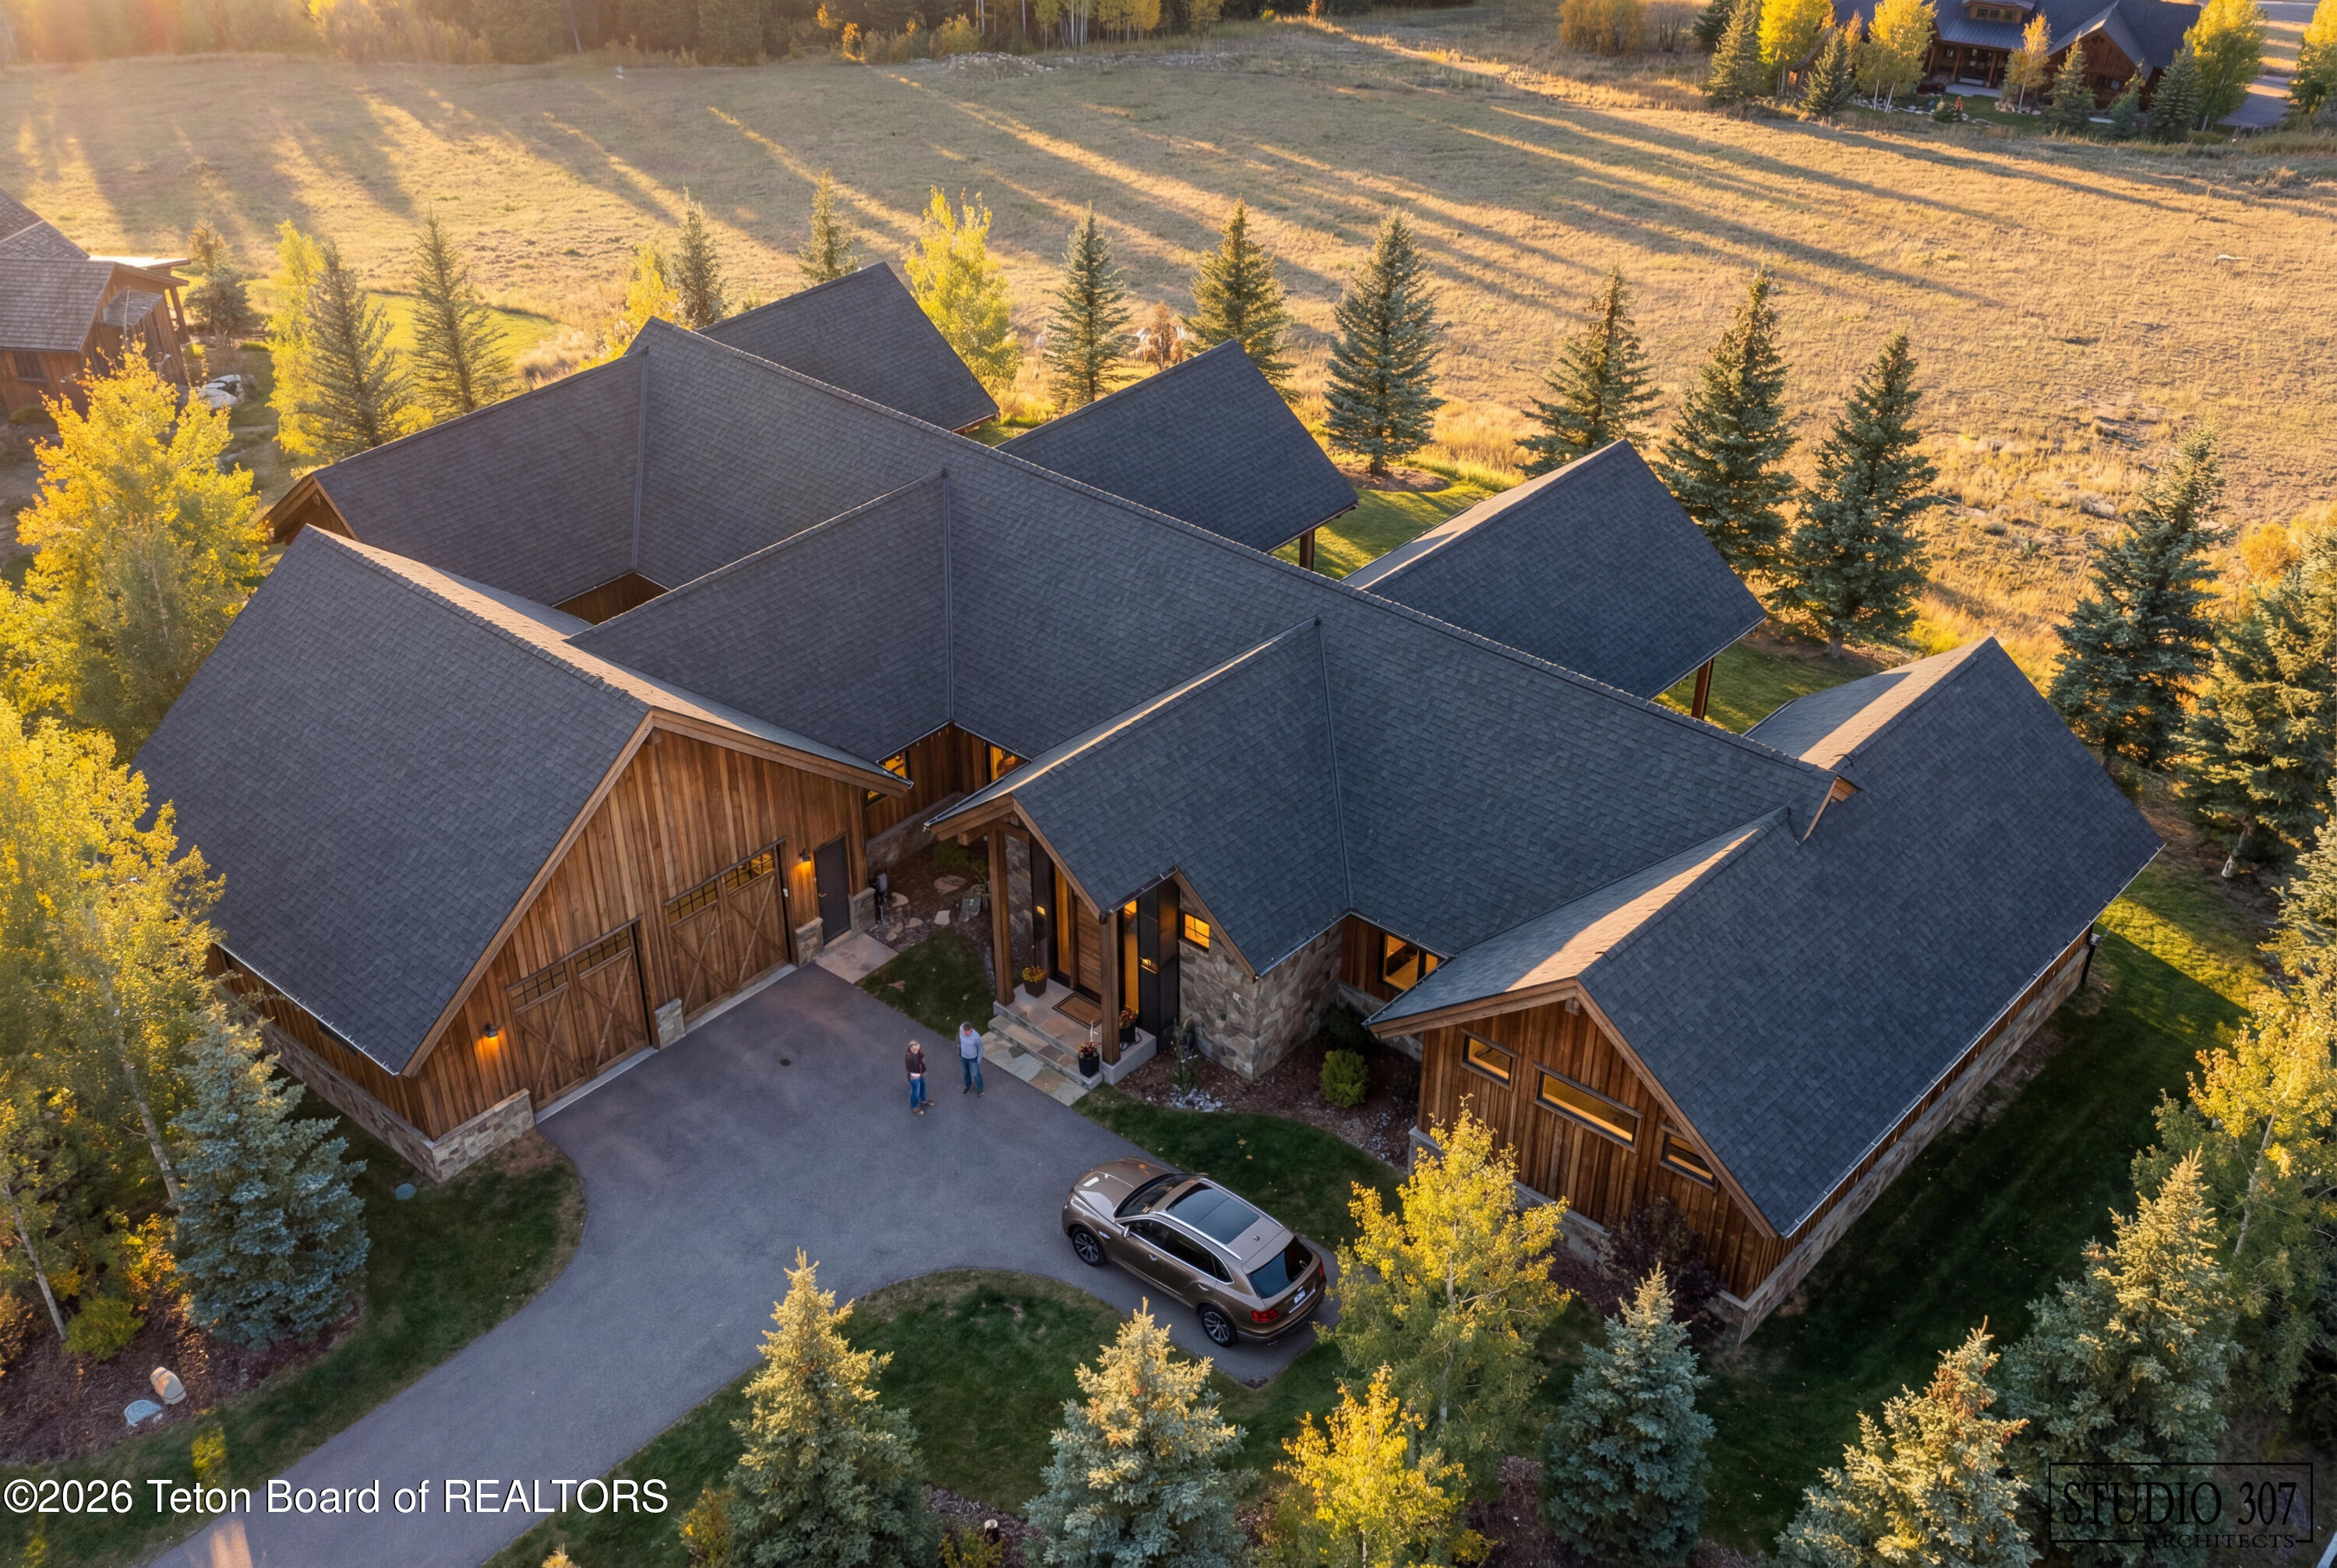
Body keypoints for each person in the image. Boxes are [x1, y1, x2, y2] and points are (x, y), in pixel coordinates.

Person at [958, 1022, 985, 1094]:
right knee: (965, 1072)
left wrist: (979, 1059)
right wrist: (959, 1049)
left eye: (970, 1031)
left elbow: (981, 1048)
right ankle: (969, 1086)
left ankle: (980, 1089)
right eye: (966, 1032)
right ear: (963, 1030)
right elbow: (959, 1038)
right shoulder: (961, 1029)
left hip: (973, 1058)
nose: (969, 1033)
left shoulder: (976, 1036)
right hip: (964, 1057)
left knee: (976, 1074)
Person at [905, 1040, 929, 1114]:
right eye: (918, 1047)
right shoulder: (909, 1057)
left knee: (923, 1086)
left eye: (919, 1047)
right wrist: (918, 1071)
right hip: (915, 1077)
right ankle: (915, 1107)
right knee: (916, 1091)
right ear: (912, 1048)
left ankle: (923, 1100)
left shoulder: (918, 1052)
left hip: (920, 1074)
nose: (919, 1048)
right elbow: (909, 1069)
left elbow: (922, 1057)